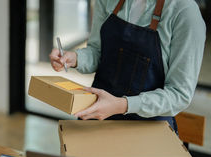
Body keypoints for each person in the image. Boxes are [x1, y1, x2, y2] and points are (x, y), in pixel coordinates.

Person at [49, 0, 206, 131]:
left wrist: (121, 105)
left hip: (150, 131)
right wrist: (75, 58)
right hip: (97, 116)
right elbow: (98, 51)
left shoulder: (185, 13)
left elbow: (179, 94)